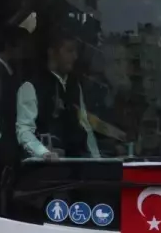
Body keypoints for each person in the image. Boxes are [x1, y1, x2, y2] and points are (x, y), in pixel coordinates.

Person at [16, 32, 101, 160]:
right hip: (46, 169)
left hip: (77, 166)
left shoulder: (75, 86)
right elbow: (24, 130)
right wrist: (43, 153)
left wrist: (97, 160)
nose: (75, 56)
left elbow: (85, 125)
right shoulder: (31, 86)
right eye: (69, 51)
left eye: (76, 52)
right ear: (52, 52)